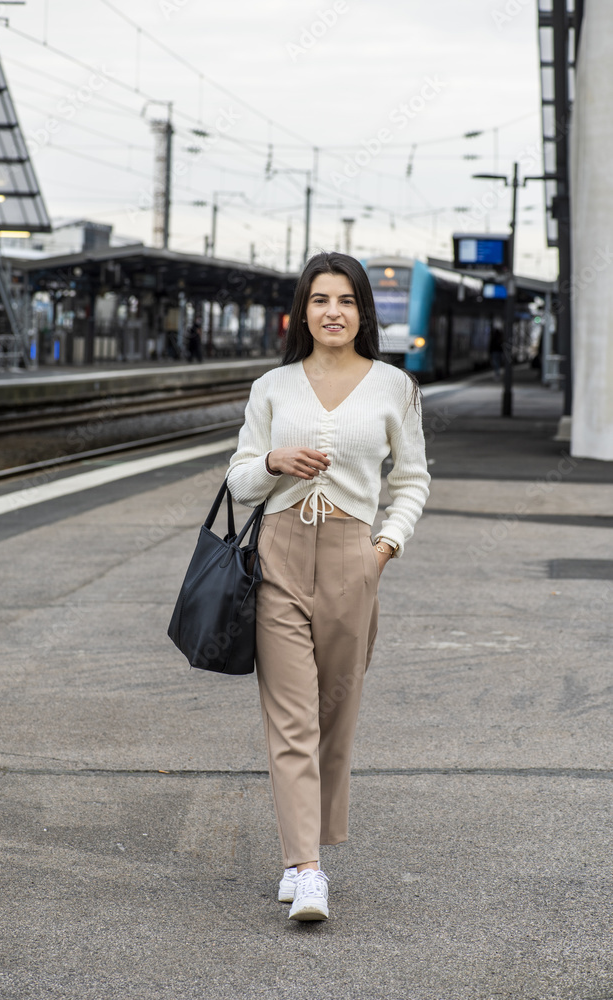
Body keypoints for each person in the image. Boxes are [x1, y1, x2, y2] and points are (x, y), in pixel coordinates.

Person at [226, 251, 430, 921]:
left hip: (352, 557)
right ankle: (306, 870)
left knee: (333, 718)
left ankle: (305, 848)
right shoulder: (272, 387)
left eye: (344, 300)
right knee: (290, 717)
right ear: (301, 311)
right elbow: (238, 479)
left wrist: (384, 546)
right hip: (279, 556)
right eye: (319, 300)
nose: (332, 311)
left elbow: (411, 479)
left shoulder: (393, 387)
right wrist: (272, 462)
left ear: (362, 312)